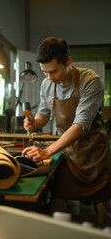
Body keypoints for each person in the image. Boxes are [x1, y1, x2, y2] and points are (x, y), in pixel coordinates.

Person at [22, 38, 111, 226]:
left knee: (103, 207)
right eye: (45, 72)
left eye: (54, 71)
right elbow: (44, 114)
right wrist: (34, 122)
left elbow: (81, 124)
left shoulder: (91, 81)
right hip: (68, 152)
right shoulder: (47, 84)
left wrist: (47, 151)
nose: (49, 77)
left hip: (94, 152)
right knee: (59, 196)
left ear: (68, 61)